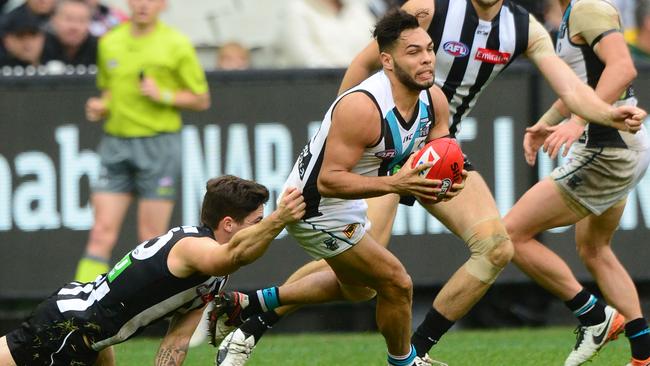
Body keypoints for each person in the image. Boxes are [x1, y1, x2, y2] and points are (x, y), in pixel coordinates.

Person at [213, 0, 647, 365]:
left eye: (429, 52)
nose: (425, 57)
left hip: (435, 142)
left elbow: (571, 89)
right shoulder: (429, 6)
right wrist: (348, 126)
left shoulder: (522, 27)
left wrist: (606, 115)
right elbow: (371, 57)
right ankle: (254, 318)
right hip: (380, 151)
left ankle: (415, 351)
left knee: (496, 245)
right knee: (362, 276)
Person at [216, 10, 463, 366]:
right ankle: (406, 361)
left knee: (360, 289)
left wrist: (452, 176)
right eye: (413, 52)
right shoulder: (362, 107)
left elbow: (444, 148)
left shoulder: (432, 98)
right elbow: (327, 179)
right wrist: (396, 183)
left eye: (429, 49)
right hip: (312, 207)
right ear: (388, 61)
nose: (426, 58)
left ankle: (252, 304)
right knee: (398, 283)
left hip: (349, 202)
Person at [0, 175, 305, 366]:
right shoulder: (195, 248)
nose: (263, 230)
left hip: (91, 335)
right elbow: (234, 256)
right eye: (256, 223)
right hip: (69, 328)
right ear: (228, 224)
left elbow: (176, 342)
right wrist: (279, 219)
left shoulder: (214, 269)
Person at [505, 1, 650, 365]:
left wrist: (579, 121)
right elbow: (580, 85)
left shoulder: (586, 7)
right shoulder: (575, 11)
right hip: (620, 143)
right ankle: (643, 357)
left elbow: (623, 67)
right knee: (595, 249)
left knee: (510, 235)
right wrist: (550, 119)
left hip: (607, 148)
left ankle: (594, 317)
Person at [74, 0, 210, 283]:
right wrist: (102, 105)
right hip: (116, 144)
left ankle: (145, 310)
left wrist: (164, 95)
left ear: (163, 4)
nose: (143, 4)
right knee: (101, 231)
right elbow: (110, 90)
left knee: (150, 239)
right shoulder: (110, 42)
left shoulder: (176, 44)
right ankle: (79, 307)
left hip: (158, 145)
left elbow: (201, 99)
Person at [273, 0, 377, 68]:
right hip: (317, 92)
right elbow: (308, 63)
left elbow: (377, 51)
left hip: (363, 90)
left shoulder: (358, 10)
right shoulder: (295, 11)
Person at [41, 0, 97, 68]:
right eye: (68, 19)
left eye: (81, 20)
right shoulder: (40, 45)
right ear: (53, 19)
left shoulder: (99, 48)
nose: (74, 27)